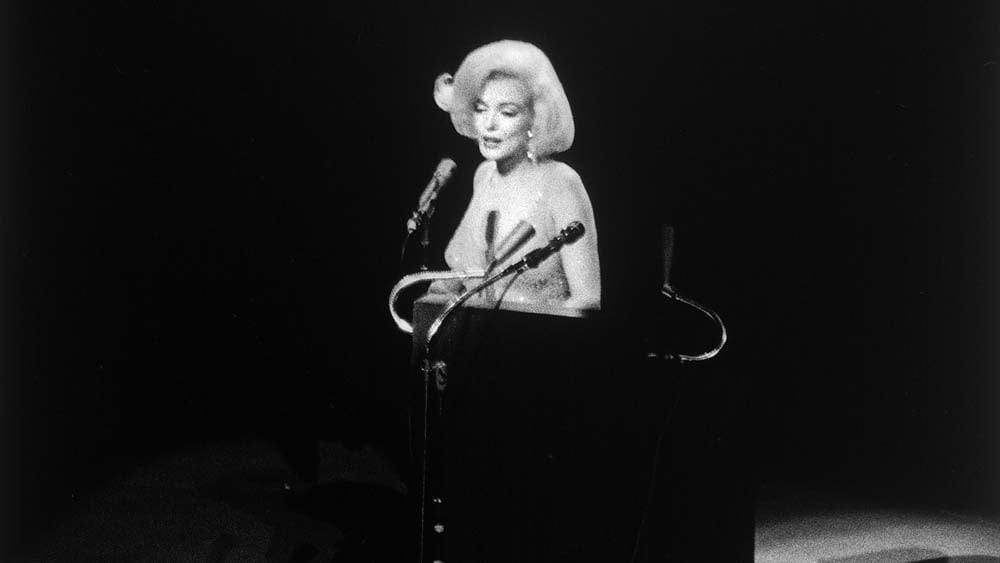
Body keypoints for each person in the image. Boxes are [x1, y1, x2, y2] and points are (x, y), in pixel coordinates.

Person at [431, 39, 601, 311]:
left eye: (507, 112)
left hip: (535, 337)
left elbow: (587, 299)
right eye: (481, 109)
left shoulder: (562, 183)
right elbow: (464, 273)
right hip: (471, 334)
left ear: (536, 119)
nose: (489, 124)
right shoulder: (484, 176)